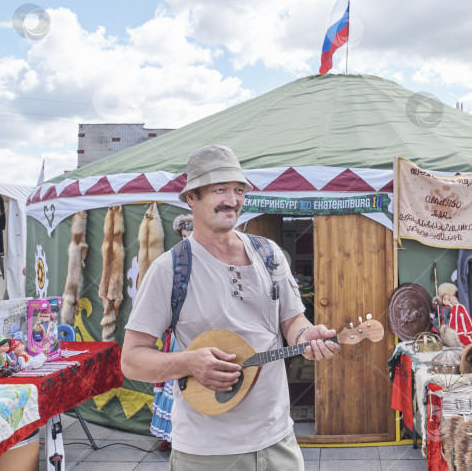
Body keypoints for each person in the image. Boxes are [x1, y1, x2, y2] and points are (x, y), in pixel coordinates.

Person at [122, 145, 339, 470]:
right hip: (206, 453)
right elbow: (132, 360)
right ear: (191, 197)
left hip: (278, 440)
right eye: (219, 189)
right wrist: (189, 363)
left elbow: (292, 321)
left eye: (238, 190)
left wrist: (307, 337)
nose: (232, 199)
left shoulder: (270, 254)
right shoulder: (170, 270)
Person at [151, 213, 194, 449]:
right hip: (179, 331)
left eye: (191, 234)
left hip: (201, 329)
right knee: (175, 381)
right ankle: (170, 435)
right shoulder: (174, 262)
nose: (188, 239)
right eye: (185, 235)